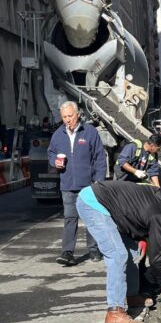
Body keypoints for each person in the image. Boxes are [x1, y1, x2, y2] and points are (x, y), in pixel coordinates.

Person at [76, 180, 161, 323]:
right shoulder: (160, 215)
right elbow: (156, 257)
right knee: (117, 255)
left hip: (109, 203)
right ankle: (115, 312)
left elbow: (136, 211)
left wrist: (140, 237)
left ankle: (130, 295)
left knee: (134, 251)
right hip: (94, 203)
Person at [48, 101, 107, 266]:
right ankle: (67, 252)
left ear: (78, 114)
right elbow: (51, 153)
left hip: (88, 184)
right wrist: (55, 161)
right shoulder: (58, 134)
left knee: (91, 218)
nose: (67, 120)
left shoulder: (89, 132)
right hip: (67, 184)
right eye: (64, 117)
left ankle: (94, 250)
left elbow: (99, 158)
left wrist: (99, 181)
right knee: (69, 218)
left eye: (70, 116)